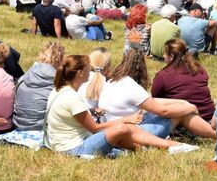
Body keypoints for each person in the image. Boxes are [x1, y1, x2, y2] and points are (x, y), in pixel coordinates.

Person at [45, 55, 197, 156]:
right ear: (79, 73)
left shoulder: (59, 91)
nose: (90, 72)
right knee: (122, 128)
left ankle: (169, 146)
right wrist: (126, 119)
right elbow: (94, 128)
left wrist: (91, 111)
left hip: (63, 145)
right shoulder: (71, 97)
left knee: (123, 129)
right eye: (87, 69)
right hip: (74, 150)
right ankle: (171, 145)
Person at [97, 47, 216, 139]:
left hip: (113, 128)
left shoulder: (114, 81)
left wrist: (182, 102)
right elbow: (162, 111)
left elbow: (151, 100)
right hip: (133, 132)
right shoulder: (131, 86)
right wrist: (190, 108)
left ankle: (213, 133)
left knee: (180, 108)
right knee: (181, 114)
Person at [152, 39, 216, 123]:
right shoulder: (199, 69)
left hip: (184, 120)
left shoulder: (163, 75)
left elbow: (155, 99)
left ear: (171, 56)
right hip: (209, 116)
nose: (163, 56)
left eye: (165, 53)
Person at [13, 41, 66, 131]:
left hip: (19, 125)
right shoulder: (59, 82)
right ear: (60, 59)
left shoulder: (25, 77)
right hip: (42, 128)